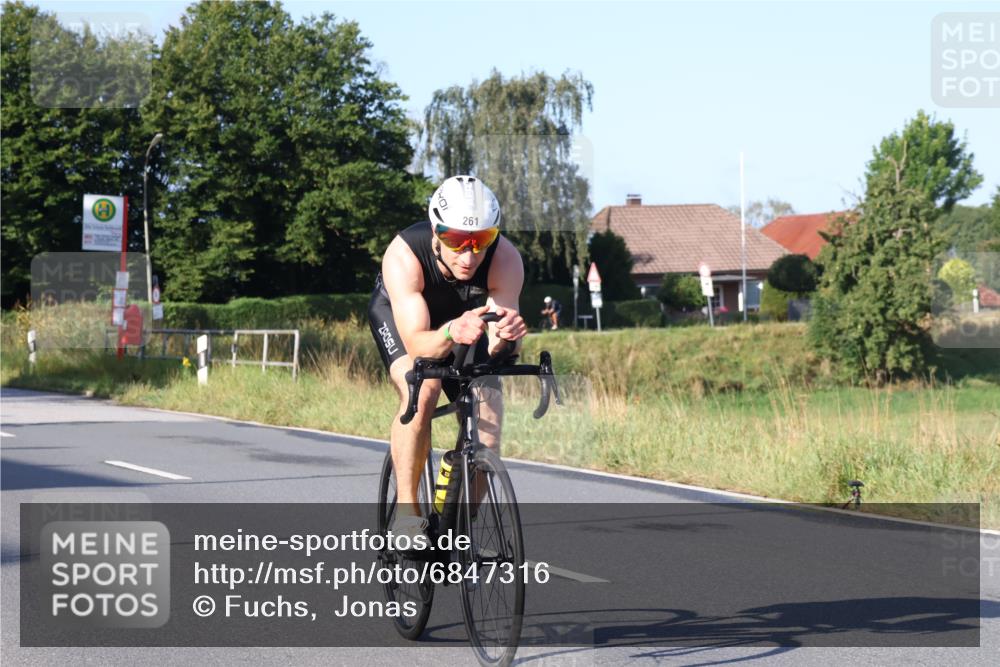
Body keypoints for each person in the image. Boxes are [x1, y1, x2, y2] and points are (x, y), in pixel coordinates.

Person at [368, 175, 528, 539]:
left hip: (466, 323)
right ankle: (407, 515)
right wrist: (450, 332)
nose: (469, 256)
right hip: (407, 322)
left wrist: (508, 339)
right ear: (436, 232)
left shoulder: (505, 258)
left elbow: (498, 350)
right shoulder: (404, 255)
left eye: (481, 241)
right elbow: (417, 344)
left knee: (489, 418)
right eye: (456, 241)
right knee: (422, 391)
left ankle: (456, 527)